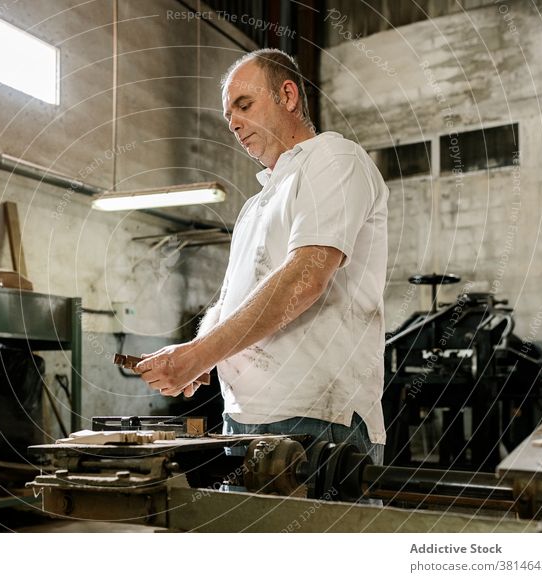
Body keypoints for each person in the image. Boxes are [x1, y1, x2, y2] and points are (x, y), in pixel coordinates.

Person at [136, 48, 388, 465]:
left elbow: (305, 278)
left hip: (316, 418)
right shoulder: (256, 205)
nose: (233, 123)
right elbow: (230, 300)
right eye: (228, 115)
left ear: (288, 96)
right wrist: (199, 351)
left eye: (244, 105)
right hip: (241, 419)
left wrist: (200, 355)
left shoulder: (334, 160)